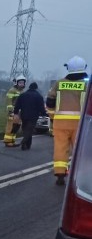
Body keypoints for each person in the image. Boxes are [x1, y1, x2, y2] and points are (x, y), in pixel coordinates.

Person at [46, 56, 89, 185]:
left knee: (60, 148)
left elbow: (50, 101)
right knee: (80, 150)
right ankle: (81, 176)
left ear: (69, 68)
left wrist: (53, 117)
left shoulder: (59, 83)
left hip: (60, 123)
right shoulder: (87, 84)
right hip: (81, 124)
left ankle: (60, 173)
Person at [13, 81, 46, 151]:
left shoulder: (22, 95)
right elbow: (41, 107)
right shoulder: (39, 96)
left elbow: (17, 105)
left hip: (24, 115)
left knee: (26, 129)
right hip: (33, 116)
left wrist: (15, 112)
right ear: (36, 88)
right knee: (30, 129)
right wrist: (43, 114)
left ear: (29, 87)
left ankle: (28, 145)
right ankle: (24, 142)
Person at [3, 75, 26, 147]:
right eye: (20, 83)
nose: (22, 84)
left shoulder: (22, 91)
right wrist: (10, 110)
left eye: (23, 83)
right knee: (10, 126)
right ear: (16, 83)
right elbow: (9, 101)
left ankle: (13, 140)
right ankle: (7, 141)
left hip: (19, 112)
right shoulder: (12, 90)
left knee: (16, 126)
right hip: (12, 111)